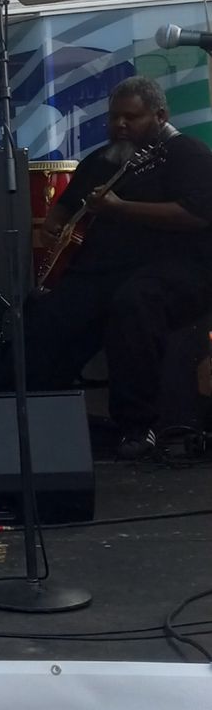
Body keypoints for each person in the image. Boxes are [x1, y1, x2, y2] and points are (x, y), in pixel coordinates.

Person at [26, 75, 212, 459]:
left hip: (178, 269)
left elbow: (196, 214)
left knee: (134, 303)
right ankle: (33, 413)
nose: (120, 125)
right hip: (106, 268)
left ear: (160, 116)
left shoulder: (188, 154)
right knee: (49, 314)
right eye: (114, 117)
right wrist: (54, 224)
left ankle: (138, 427)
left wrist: (121, 208)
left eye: (132, 117)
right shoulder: (102, 160)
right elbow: (68, 203)